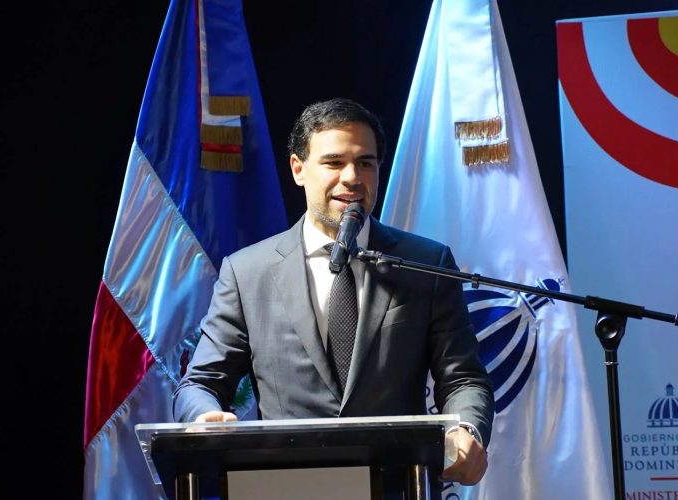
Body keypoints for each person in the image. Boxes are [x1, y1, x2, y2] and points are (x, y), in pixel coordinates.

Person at [174, 98, 493, 485]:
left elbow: (462, 378)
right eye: (334, 162)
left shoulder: (426, 263)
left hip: (398, 483)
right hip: (283, 485)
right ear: (298, 169)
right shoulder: (247, 273)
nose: (352, 177)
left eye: (365, 163)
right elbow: (201, 383)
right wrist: (203, 418)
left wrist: (466, 430)